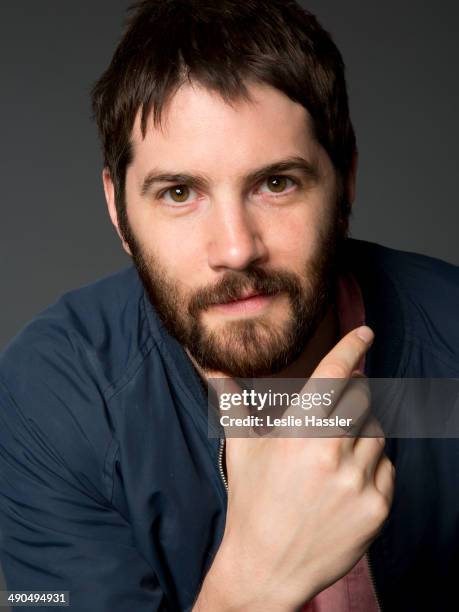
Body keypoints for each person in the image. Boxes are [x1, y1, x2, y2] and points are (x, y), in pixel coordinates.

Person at [0, 1, 458, 610]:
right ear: (118, 209)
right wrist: (254, 579)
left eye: (276, 183)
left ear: (345, 181)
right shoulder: (52, 399)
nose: (237, 250)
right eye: (180, 192)